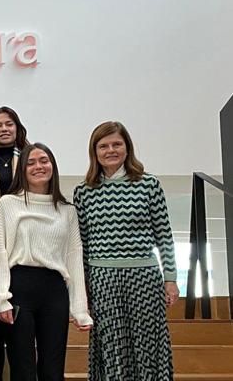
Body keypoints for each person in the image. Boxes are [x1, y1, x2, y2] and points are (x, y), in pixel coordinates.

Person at [74, 122, 175, 380]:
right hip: (102, 280)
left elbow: (164, 235)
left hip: (144, 279)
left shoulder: (149, 184)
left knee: (147, 344)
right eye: (103, 145)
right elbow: (82, 244)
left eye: (116, 144)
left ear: (127, 148)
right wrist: (83, 288)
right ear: (94, 152)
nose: (110, 150)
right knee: (112, 345)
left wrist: (171, 279)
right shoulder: (83, 192)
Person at [0, 143, 92, 381]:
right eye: (31, 162)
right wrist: (1, 298)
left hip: (54, 290)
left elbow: (74, 258)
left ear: (53, 166)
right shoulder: (8, 203)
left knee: (53, 368)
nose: (38, 166)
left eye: (44, 160)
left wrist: (80, 310)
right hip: (19, 289)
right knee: (22, 367)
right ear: (22, 169)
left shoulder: (67, 210)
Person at [0, 107, 28, 209]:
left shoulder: (29, 158)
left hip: (25, 217)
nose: (4, 129)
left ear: (17, 127)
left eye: (9, 124)